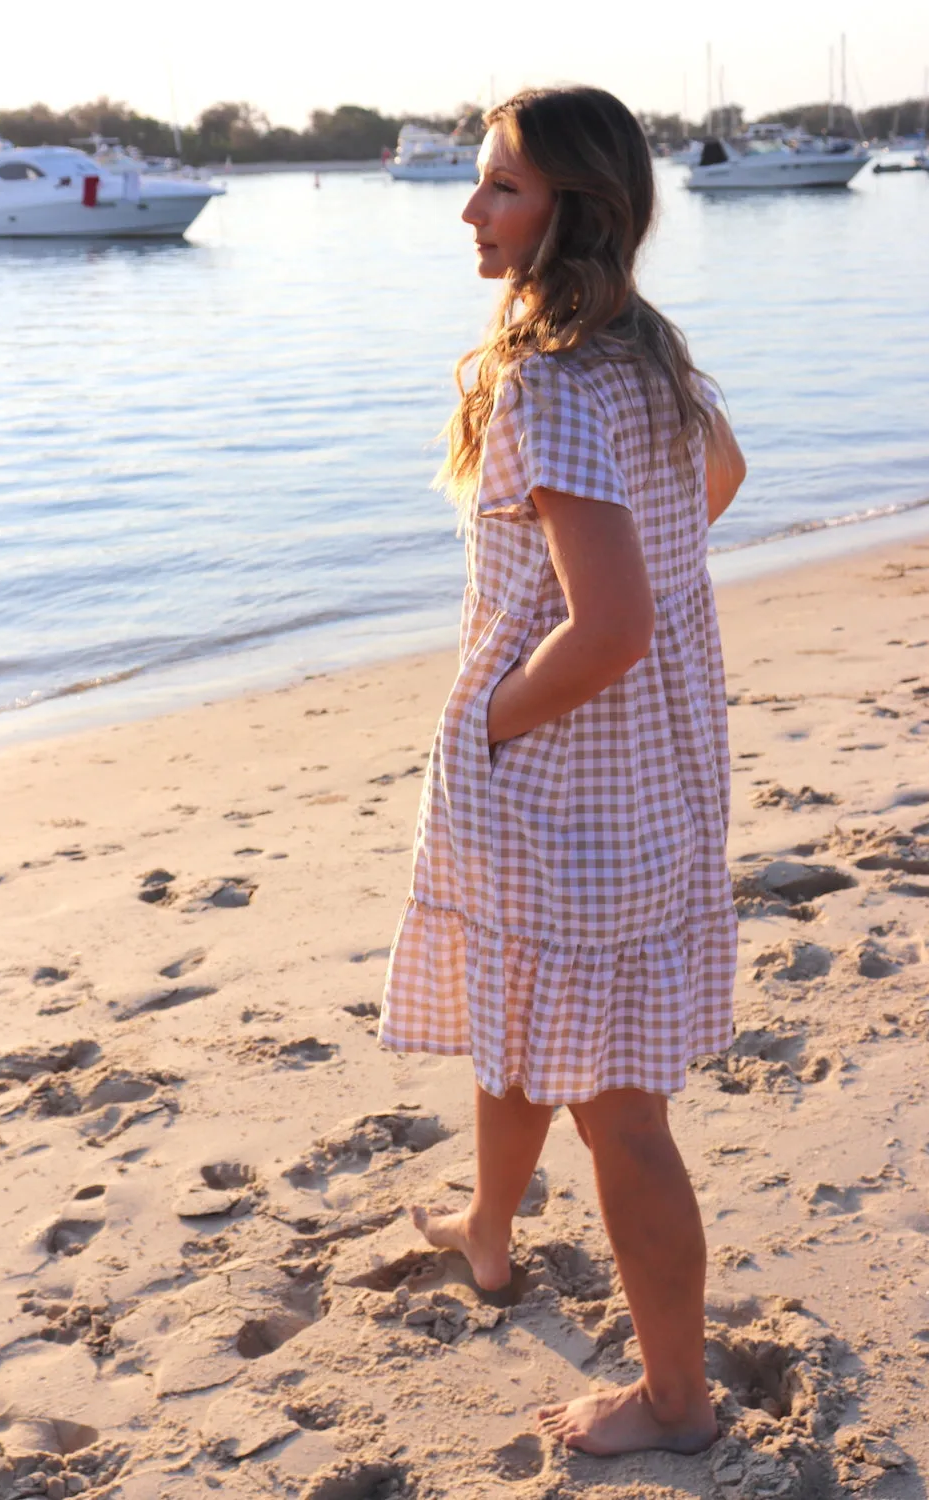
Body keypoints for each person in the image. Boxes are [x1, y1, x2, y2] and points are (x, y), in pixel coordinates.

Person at [379, 85, 746, 1458]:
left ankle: (676, 1403)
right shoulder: (652, 359)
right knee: (518, 1003)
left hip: (564, 785)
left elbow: (610, 628)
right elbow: (722, 477)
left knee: (622, 1116)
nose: (472, 213)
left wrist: (491, 721)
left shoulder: (547, 379)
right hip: (649, 771)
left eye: (500, 189)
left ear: (573, 209)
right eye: (478, 185)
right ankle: (487, 1232)